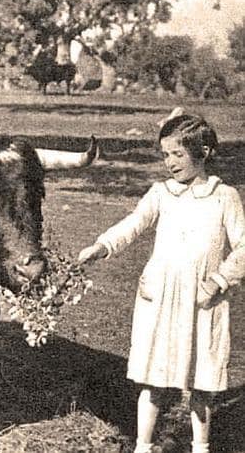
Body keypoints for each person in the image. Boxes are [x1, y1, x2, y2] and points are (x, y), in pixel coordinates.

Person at [78, 112, 245, 453]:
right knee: (153, 379)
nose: (170, 163)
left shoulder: (223, 196)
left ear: (204, 152)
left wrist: (217, 281)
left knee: (202, 381)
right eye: (165, 154)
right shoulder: (161, 193)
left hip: (203, 299)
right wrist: (102, 246)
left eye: (178, 155)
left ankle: (201, 446)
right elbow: (133, 224)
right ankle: (143, 445)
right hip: (161, 296)